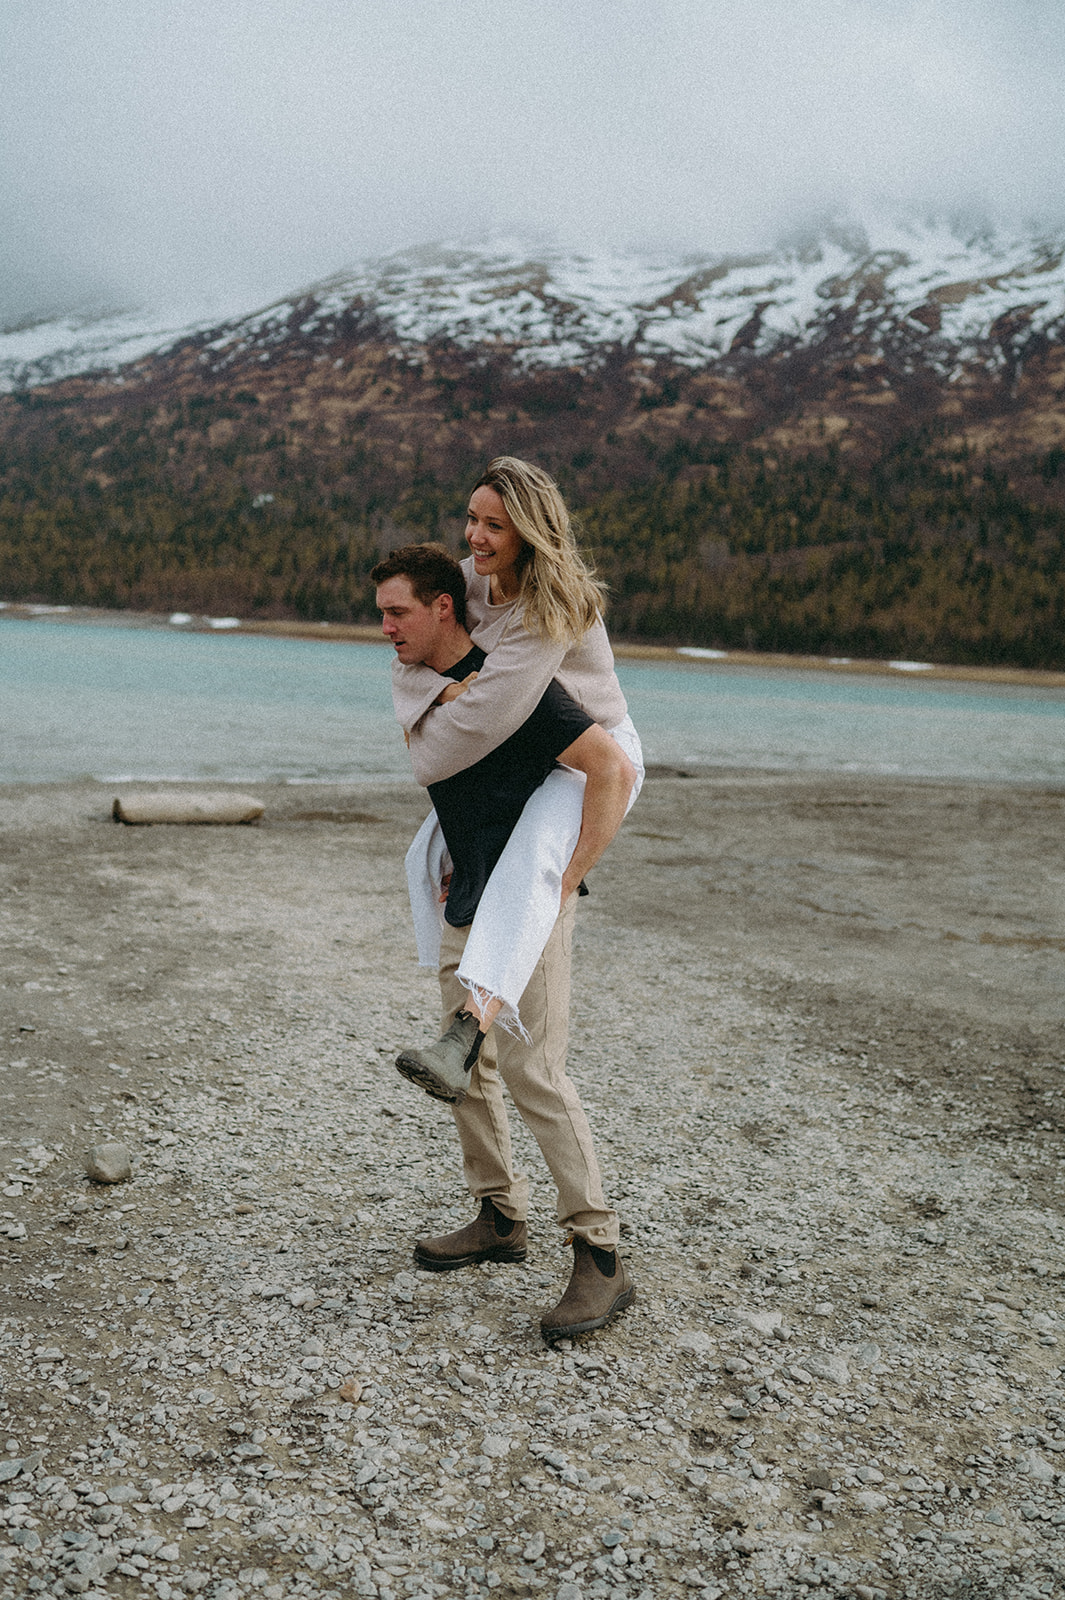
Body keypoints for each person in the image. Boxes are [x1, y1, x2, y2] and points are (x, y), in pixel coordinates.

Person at [373, 532, 638, 1340]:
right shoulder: (426, 682)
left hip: (526, 902)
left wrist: (565, 882)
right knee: (464, 1070)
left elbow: (609, 772)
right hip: (468, 887)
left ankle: (599, 1254)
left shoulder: (524, 692)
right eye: (380, 613)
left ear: (443, 606)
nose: (385, 628)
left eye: (397, 612)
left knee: (533, 1071)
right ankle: (498, 1216)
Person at [391, 457, 644, 1047]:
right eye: (471, 519)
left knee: (534, 862)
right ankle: (450, 977)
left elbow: (486, 721)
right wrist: (445, 689)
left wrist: (571, 874)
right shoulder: (467, 579)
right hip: (523, 752)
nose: (475, 537)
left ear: (528, 533)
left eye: (495, 527)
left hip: (588, 755)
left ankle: (469, 1030)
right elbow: (413, 652)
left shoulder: (547, 607)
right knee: (425, 857)